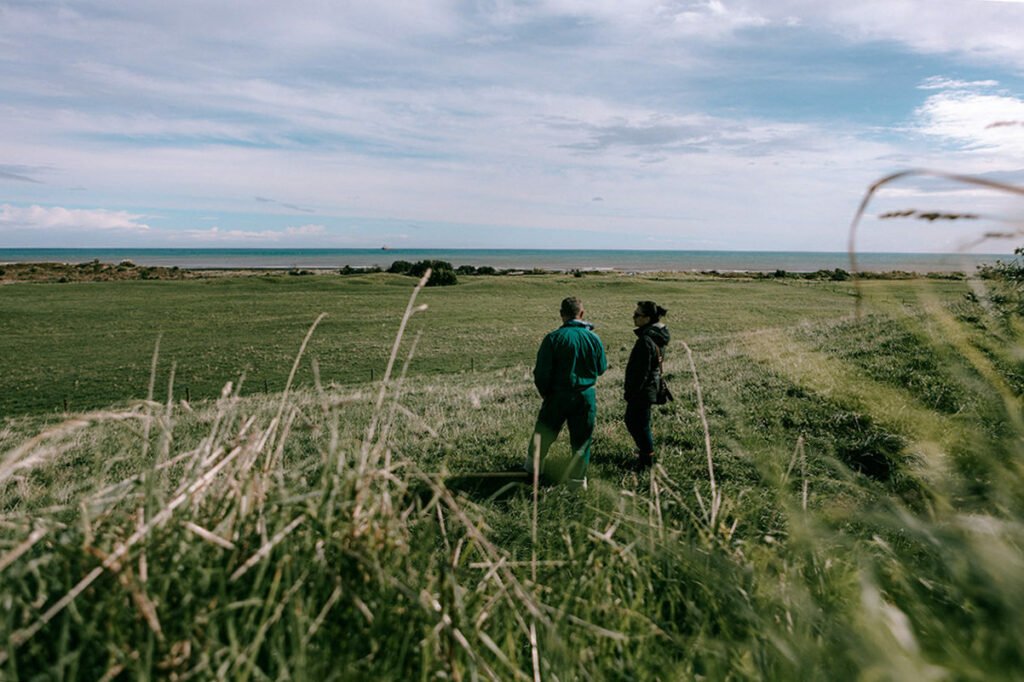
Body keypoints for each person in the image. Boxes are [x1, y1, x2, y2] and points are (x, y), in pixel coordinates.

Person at [524, 296, 608, 489]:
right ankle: (577, 483)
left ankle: (532, 471)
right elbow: (601, 368)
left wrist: (546, 394)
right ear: (582, 313)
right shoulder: (594, 338)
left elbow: (541, 373)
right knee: (581, 440)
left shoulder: (553, 338)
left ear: (561, 314)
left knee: (543, 433)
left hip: (557, 395)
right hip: (585, 395)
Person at [623, 300, 670, 469]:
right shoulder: (657, 335)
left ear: (647, 318)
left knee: (636, 423)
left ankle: (647, 459)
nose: (633, 317)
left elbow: (639, 372)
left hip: (642, 390)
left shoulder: (645, 340)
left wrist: (631, 392)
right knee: (640, 423)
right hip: (652, 386)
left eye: (637, 315)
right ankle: (646, 454)